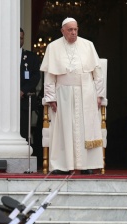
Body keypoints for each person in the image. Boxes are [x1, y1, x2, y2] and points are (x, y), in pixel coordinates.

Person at [40, 17, 105, 175]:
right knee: (64, 130)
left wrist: (99, 95)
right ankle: (62, 165)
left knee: (85, 129)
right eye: (70, 30)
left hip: (86, 93)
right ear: (62, 31)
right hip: (63, 94)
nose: (74, 32)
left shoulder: (88, 45)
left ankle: (87, 165)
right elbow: (50, 77)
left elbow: (98, 74)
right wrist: (51, 98)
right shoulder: (53, 47)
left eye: (75, 29)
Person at [20, 28, 41, 142]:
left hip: (24, 100)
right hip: (6, 103)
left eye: (21, 38)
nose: (19, 40)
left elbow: (35, 77)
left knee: (24, 133)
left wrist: (22, 91)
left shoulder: (31, 57)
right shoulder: (3, 57)